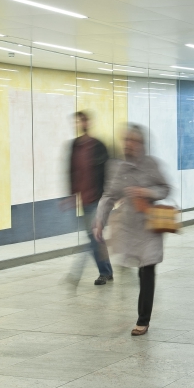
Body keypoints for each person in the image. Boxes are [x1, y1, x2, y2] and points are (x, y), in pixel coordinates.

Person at [94, 125, 170, 336]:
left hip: (149, 226)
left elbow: (164, 189)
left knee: (147, 270)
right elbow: (109, 196)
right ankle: (142, 316)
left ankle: (142, 320)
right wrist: (99, 220)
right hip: (129, 226)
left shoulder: (151, 164)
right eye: (126, 140)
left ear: (141, 143)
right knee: (135, 268)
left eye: (133, 140)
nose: (129, 144)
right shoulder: (118, 167)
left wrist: (145, 191)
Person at [68, 111, 113, 285]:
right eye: (78, 121)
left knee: (94, 237)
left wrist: (111, 196)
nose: (80, 124)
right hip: (84, 201)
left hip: (98, 199)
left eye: (83, 120)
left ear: (89, 122)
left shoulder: (98, 146)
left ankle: (102, 272)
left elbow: (108, 171)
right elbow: (71, 171)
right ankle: (107, 270)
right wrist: (72, 194)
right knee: (96, 237)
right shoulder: (74, 146)